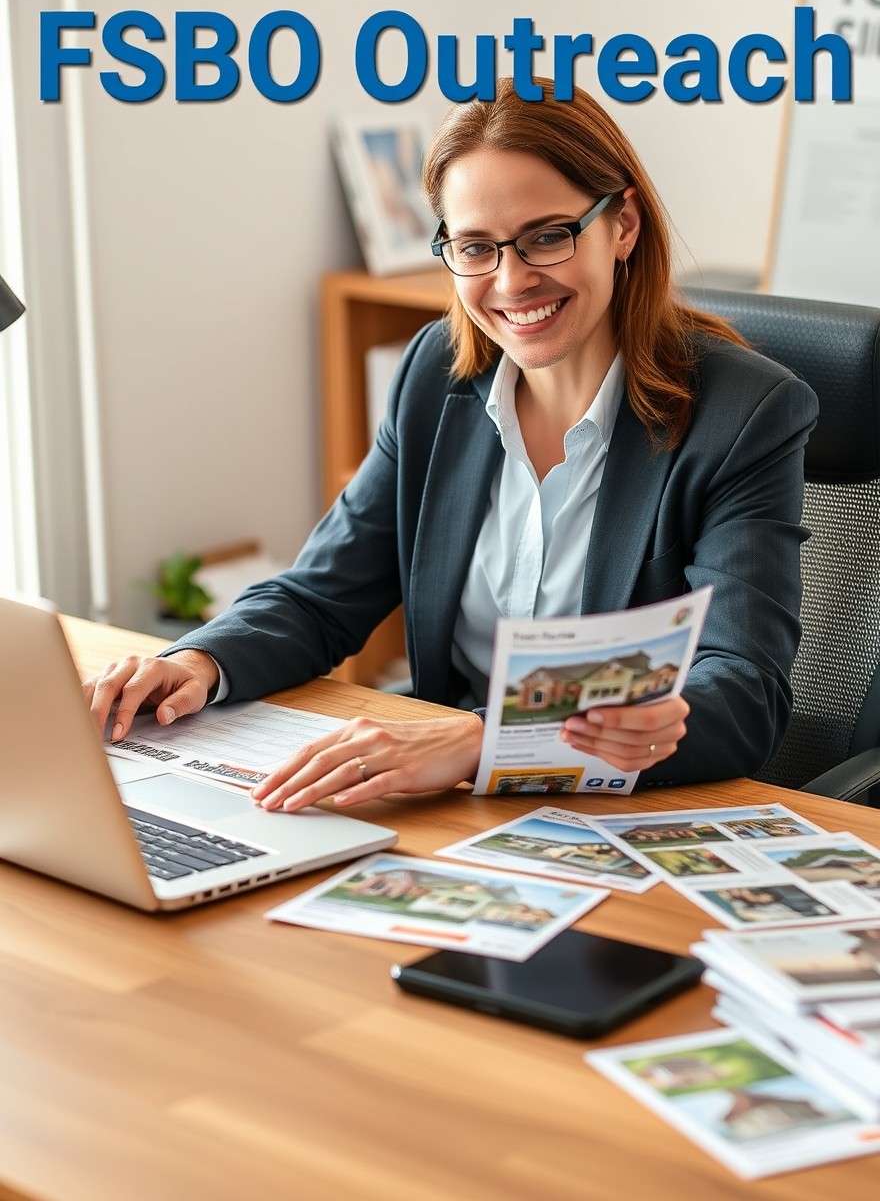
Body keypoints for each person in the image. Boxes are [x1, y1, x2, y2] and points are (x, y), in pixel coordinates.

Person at [85, 78, 818, 814]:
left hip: (612, 809)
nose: (512, 280)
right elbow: (321, 595)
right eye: (475, 247)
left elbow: (742, 690)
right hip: (449, 808)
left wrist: (483, 740)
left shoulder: (744, 414)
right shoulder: (434, 375)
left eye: (548, 236)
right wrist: (200, 661)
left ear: (622, 224)